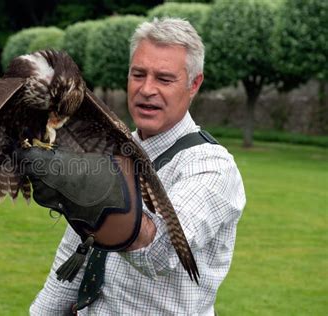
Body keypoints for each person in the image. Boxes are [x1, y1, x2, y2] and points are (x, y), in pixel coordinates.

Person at [26, 18, 246, 315]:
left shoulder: (212, 168)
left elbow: (161, 253)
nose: (146, 89)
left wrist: (102, 198)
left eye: (164, 79)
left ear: (194, 84)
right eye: (138, 74)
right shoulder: (106, 149)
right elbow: (71, 259)